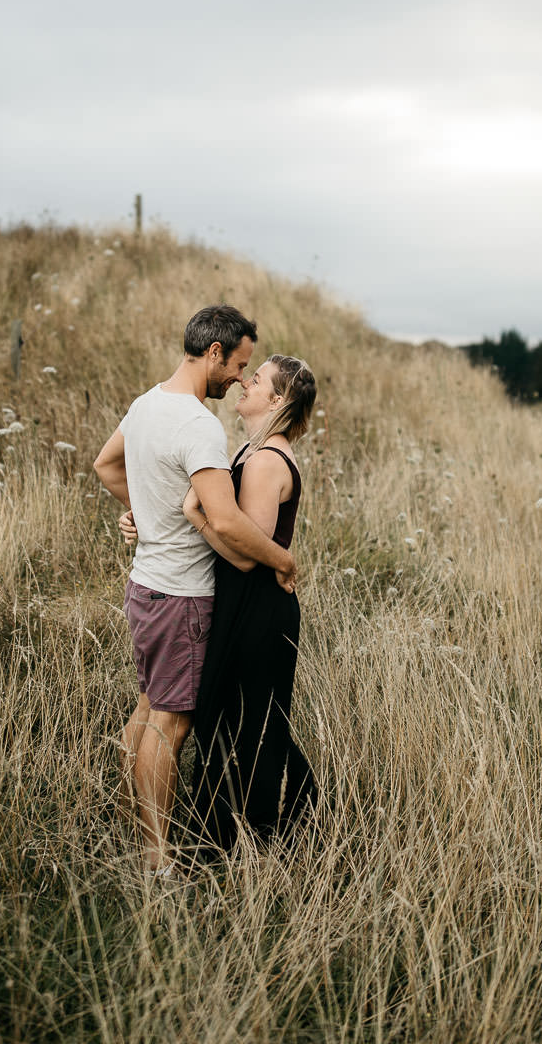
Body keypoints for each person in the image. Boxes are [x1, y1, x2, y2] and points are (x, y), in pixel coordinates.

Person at [92, 305, 298, 876]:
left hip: (144, 586)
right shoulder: (200, 426)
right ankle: (157, 861)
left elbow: (106, 465)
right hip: (182, 596)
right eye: (238, 365)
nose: (238, 378)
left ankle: (136, 832)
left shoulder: (147, 403)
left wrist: (145, 514)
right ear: (214, 354)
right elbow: (229, 523)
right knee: (171, 723)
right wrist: (284, 560)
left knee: (147, 710)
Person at [181, 353, 318, 849]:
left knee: (246, 720)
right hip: (249, 604)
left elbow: (245, 555)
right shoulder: (254, 450)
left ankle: (255, 835)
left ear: (277, 399)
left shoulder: (263, 461)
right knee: (242, 715)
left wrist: (196, 515)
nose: (245, 381)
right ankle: (247, 828)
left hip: (257, 609)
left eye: (255, 379)